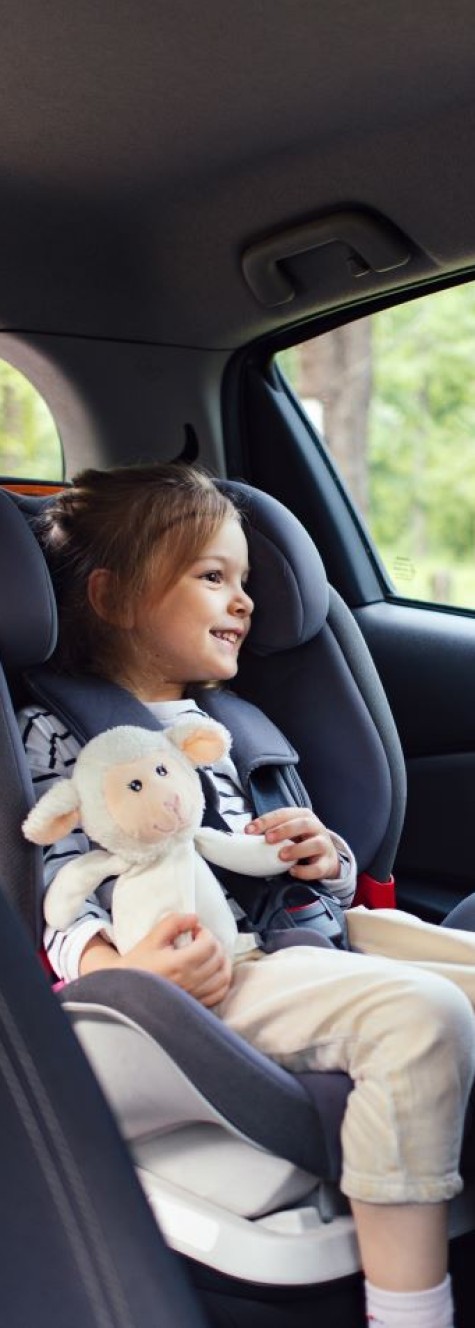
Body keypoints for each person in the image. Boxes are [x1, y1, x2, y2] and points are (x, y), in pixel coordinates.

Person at [17, 462, 475, 1328]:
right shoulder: (59, 732)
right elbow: (55, 875)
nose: (244, 602)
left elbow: (288, 864)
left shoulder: (229, 725)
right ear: (114, 598)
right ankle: (409, 1312)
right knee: (421, 1017)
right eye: (212, 577)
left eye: (247, 581)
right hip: (202, 969)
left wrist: (320, 855)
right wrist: (122, 968)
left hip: (299, 935)